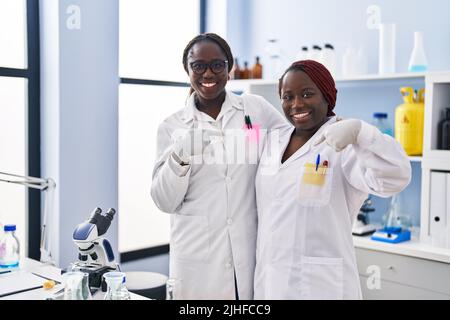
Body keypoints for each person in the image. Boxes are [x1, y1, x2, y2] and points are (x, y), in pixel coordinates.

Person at [253, 60, 411, 299]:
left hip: (320, 287)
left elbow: (395, 178)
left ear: (327, 96)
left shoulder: (343, 144)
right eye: (287, 97)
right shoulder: (273, 142)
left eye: (307, 94)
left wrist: (362, 132)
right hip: (270, 282)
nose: (296, 104)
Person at [150, 33, 288, 300]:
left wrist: (327, 127)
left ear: (229, 68)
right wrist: (181, 155)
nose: (208, 73)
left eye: (217, 64)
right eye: (198, 65)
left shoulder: (254, 109)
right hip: (198, 263)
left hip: (249, 254)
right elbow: (164, 201)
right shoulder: (172, 126)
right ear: (187, 70)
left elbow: (291, 144)